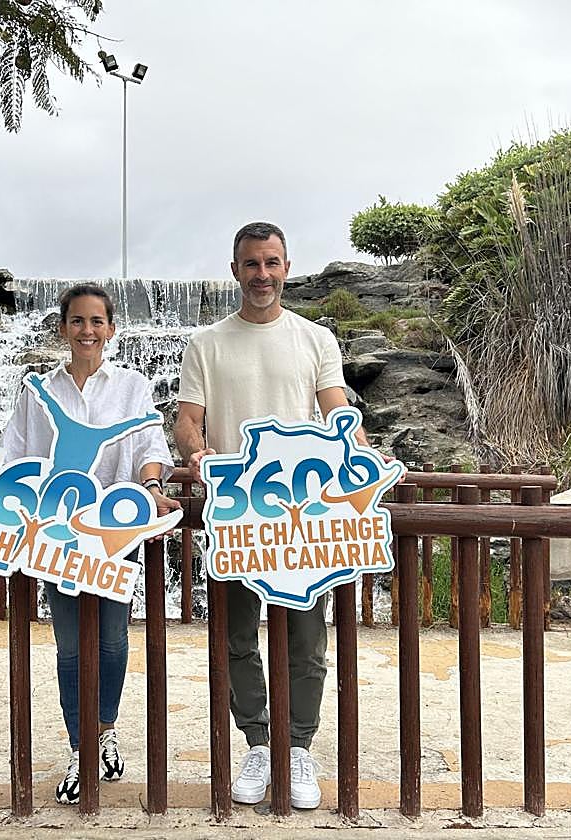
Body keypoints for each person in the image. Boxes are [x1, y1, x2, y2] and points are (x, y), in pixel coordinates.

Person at [174, 221, 371, 810]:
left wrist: (365, 456)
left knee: (309, 639)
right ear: (235, 269)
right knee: (237, 636)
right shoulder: (205, 343)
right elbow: (188, 419)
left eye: (273, 263)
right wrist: (194, 450)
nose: (263, 274)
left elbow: (339, 415)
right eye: (252, 264)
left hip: (302, 514)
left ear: (287, 267)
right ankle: (259, 743)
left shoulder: (316, 339)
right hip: (234, 511)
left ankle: (300, 747)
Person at [0, 283, 180, 805]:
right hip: (56, 530)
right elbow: (13, 449)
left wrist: (150, 486)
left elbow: (150, 445)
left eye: (97, 321)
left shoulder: (132, 386)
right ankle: (80, 749)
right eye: (77, 321)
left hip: (115, 531)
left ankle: (104, 730)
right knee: (70, 647)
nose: (87, 331)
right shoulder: (37, 391)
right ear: (63, 328)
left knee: (113, 641)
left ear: (111, 330)